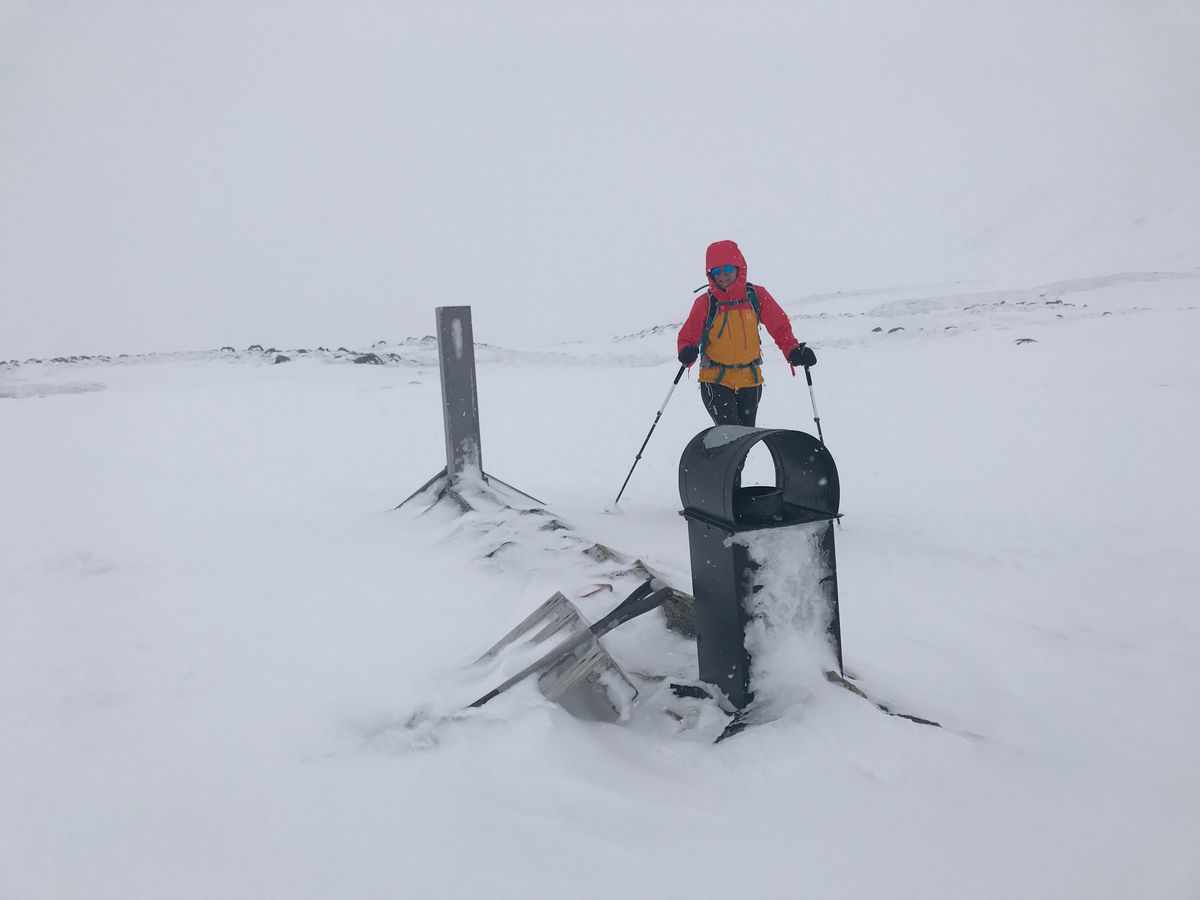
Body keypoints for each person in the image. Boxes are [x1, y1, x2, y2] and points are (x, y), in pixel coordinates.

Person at [676, 240, 817, 426]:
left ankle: (723, 455)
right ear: (710, 274)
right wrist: (686, 350)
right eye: (717, 272)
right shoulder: (705, 303)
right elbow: (688, 335)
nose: (723, 276)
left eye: (727, 269)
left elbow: (779, 326)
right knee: (730, 435)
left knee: (744, 439)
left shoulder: (756, 296)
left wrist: (793, 350)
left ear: (738, 267)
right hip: (715, 379)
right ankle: (716, 454)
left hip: (750, 380)